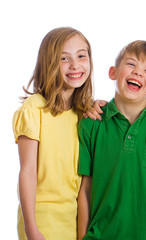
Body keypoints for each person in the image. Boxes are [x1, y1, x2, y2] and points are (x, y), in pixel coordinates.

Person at [77, 40, 146, 240]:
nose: (138, 73)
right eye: (131, 64)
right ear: (113, 72)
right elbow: (85, 189)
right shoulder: (91, 124)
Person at [12, 27, 94, 240]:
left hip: (73, 219)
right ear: (48, 63)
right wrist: (32, 228)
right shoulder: (34, 109)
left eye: (81, 56)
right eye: (64, 58)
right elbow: (27, 172)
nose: (75, 65)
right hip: (41, 219)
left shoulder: (83, 113)